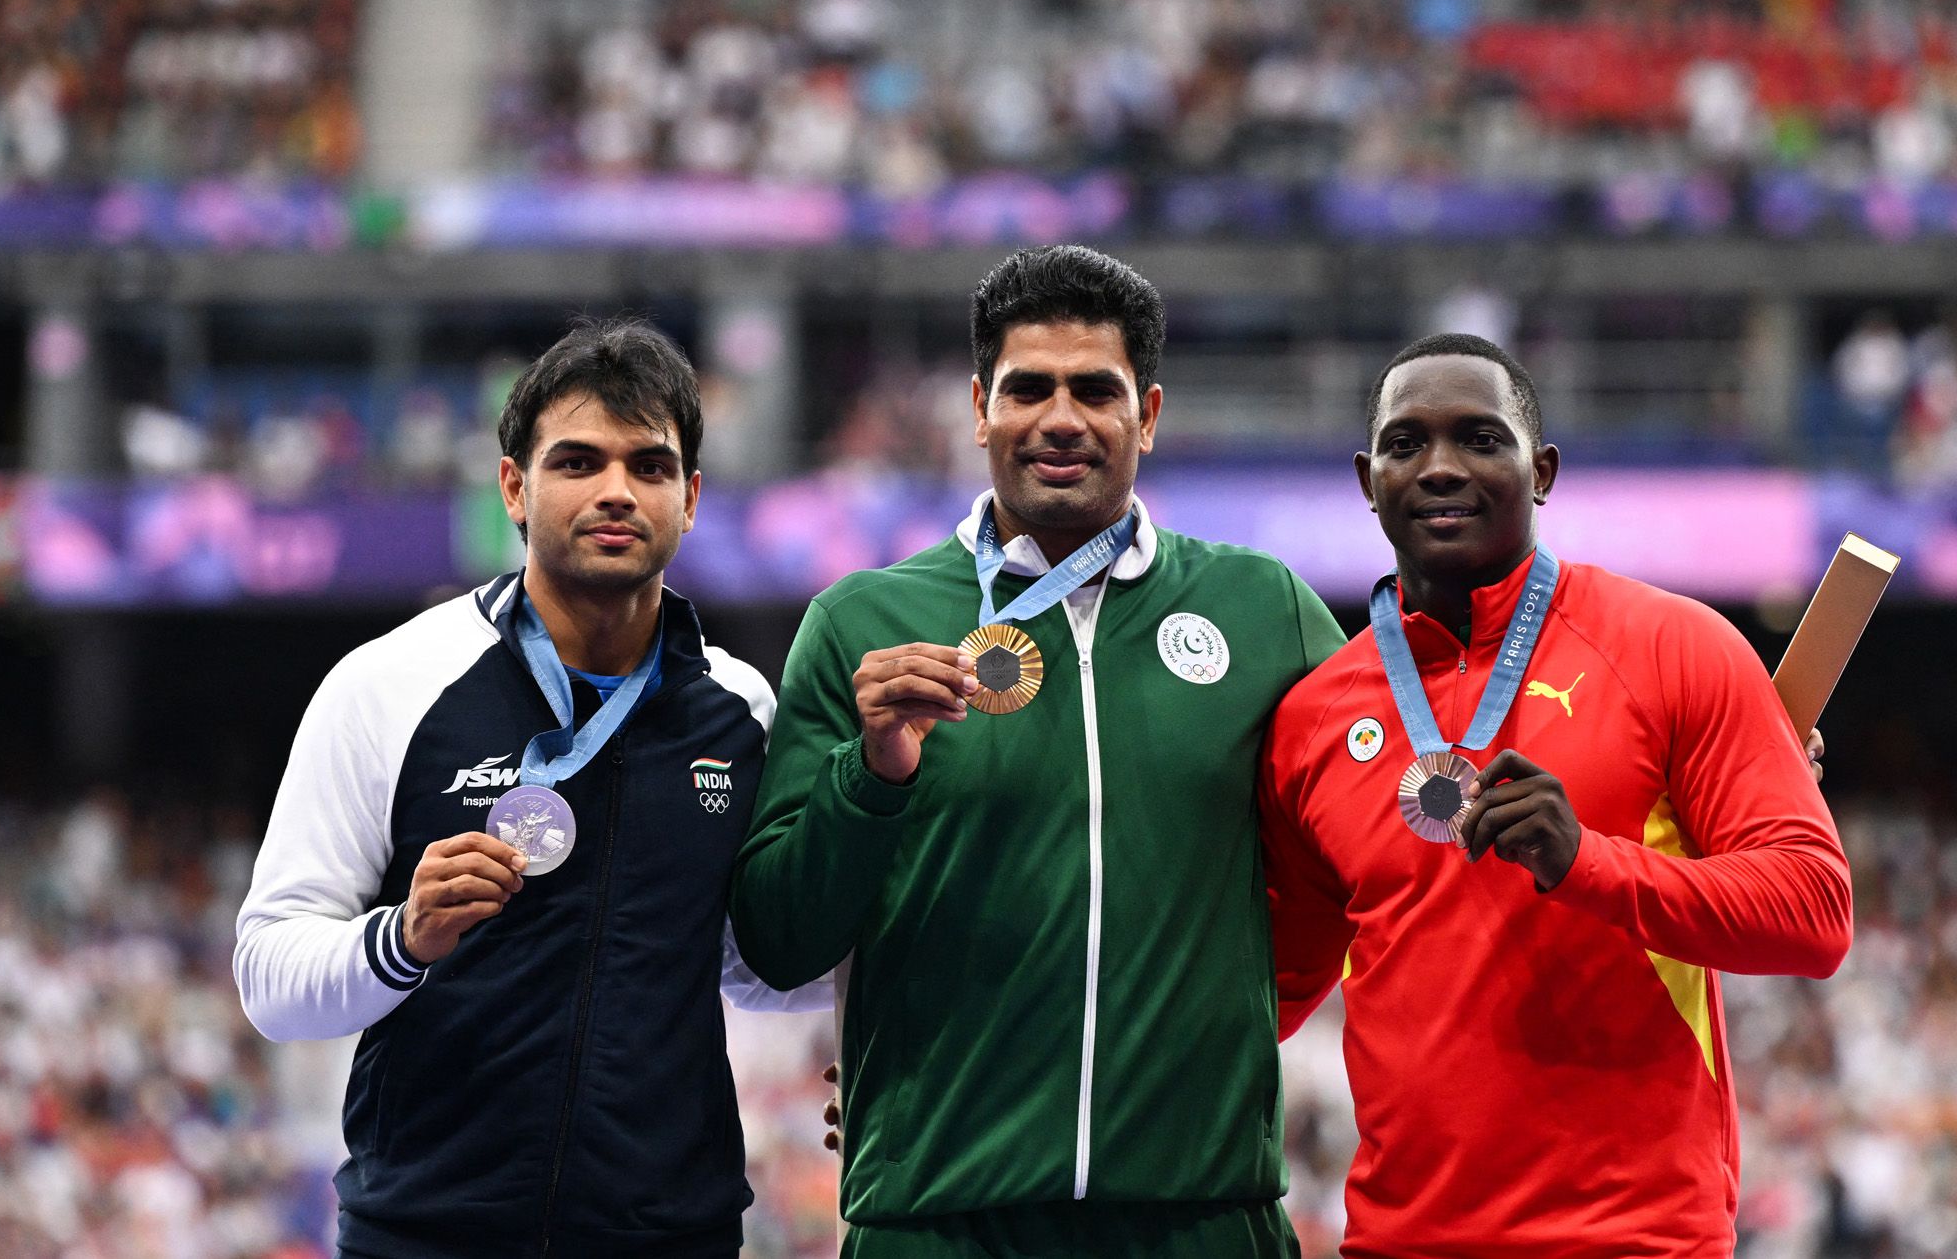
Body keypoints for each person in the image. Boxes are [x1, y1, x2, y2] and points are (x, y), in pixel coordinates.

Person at [732, 245, 1348, 1257]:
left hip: (1203, 1219)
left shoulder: (1262, 610)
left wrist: (1238, 1013)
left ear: (1145, 414)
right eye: (1028, 388)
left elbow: (1362, 844)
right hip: (936, 1220)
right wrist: (871, 772)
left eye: (1094, 389)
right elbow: (777, 939)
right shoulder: (861, 621)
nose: (1060, 417)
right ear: (979, 408)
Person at [234, 317, 822, 1259]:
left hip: (672, 1237)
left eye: (651, 464)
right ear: (514, 485)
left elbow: (753, 966)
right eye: (579, 461)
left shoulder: (740, 710)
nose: (617, 492)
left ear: (693, 496)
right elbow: (268, 978)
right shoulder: (387, 685)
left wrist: (888, 1019)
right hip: (425, 1237)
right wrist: (401, 938)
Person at [1258, 333, 1853, 1257]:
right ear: (1366, 479)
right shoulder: (1311, 718)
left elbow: (1813, 915)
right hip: (1399, 1242)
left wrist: (1588, 861)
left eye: (1481, 439)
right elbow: (1270, 990)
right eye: (1407, 443)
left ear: (1542, 471)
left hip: (1634, 1238)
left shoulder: (1675, 648)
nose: (1442, 466)